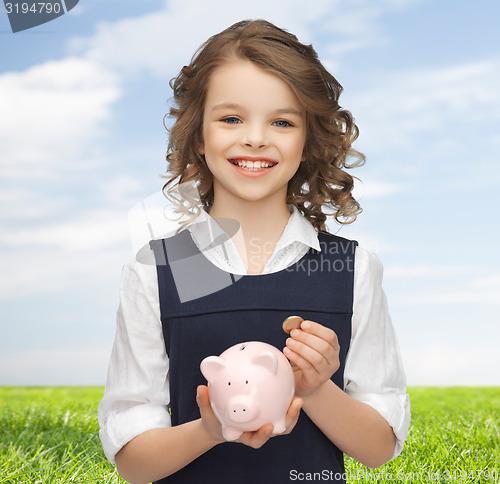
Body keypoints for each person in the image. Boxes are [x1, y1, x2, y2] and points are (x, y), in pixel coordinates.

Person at [98, 19, 411, 484]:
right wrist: (212, 429)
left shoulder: (350, 269)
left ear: (307, 141)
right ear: (199, 136)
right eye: (231, 119)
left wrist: (317, 388)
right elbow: (133, 463)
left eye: (282, 122)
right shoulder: (160, 270)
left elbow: (379, 447)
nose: (255, 138)